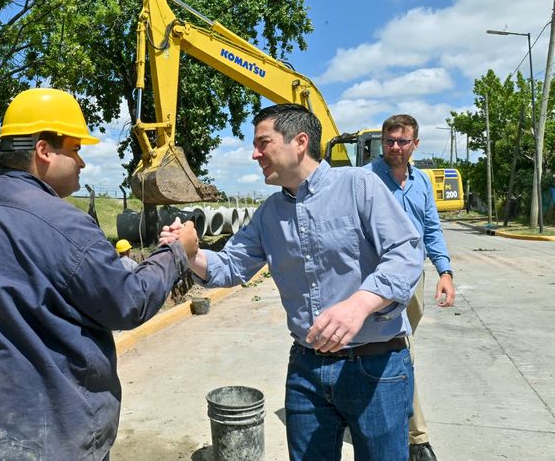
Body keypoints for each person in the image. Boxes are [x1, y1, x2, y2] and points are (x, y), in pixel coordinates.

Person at [0, 88, 199, 460]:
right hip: (47, 439)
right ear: (44, 151)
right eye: (76, 149)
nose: (82, 162)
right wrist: (178, 251)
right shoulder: (64, 223)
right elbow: (129, 302)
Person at [161, 104, 424, 460]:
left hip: (375, 366)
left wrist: (360, 303)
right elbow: (230, 266)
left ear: (300, 142)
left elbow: (406, 253)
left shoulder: (359, 186)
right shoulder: (270, 213)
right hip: (307, 368)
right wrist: (190, 254)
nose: (255, 154)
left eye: (263, 143)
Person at [365, 114, 456, 461]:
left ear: (415, 144)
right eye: (389, 140)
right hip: (377, 278)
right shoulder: (366, 178)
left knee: (395, 351)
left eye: (402, 141)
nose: (395, 147)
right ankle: (417, 439)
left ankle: (381, 409)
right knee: (402, 347)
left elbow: (431, 228)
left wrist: (445, 271)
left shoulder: (421, 183)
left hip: (414, 278)